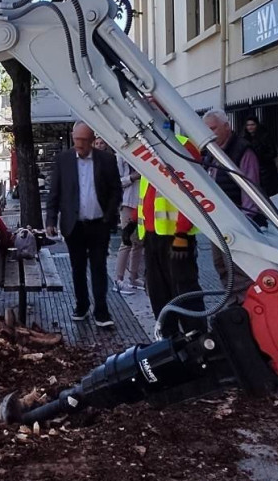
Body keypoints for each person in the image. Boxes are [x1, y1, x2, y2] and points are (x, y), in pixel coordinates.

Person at [43, 122, 124, 328]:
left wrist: (109, 215)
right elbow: (55, 192)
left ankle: (101, 311)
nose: (79, 144)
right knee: (77, 267)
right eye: (76, 140)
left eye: (83, 141)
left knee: (99, 267)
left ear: (92, 140)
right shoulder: (63, 160)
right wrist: (50, 220)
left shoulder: (106, 160)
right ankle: (81, 305)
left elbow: (116, 190)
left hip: (99, 224)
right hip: (74, 225)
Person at [139, 133, 206, 338]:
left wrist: (182, 232)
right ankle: (168, 340)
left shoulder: (182, 146)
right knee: (159, 293)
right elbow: (147, 192)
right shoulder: (145, 145)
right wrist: (134, 220)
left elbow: (193, 193)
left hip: (175, 237)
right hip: (153, 235)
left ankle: (197, 339)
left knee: (184, 291)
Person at [203, 110, 261, 290]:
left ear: (226, 126)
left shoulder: (242, 150)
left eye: (213, 128)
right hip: (218, 219)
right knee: (221, 265)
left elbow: (250, 190)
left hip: (237, 221)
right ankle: (232, 300)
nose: (209, 133)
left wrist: (245, 222)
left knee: (239, 268)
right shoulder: (212, 150)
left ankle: (243, 301)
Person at [113, 168, 145, 295]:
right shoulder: (122, 158)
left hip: (141, 202)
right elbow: (116, 182)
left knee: (139, 241)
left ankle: (133, 277)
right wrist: (132, 177)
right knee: (127, 241)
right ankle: (118, 279)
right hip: (128, 202)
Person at [242, 118, 278, 197]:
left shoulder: (265, 137)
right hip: (252, 169)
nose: (250, 127)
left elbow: (272, 153)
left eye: (252, 125)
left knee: (264, 194)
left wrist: (260, 156)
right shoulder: (244, 139)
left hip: (265, 171)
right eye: (248, 125)